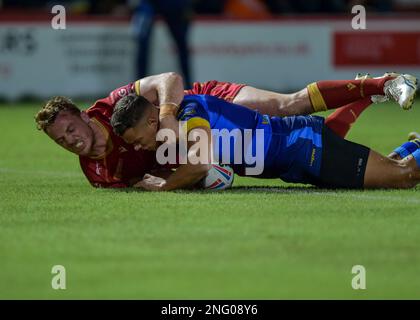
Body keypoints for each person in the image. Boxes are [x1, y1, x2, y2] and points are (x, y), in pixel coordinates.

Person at [34, 72, 417, 188]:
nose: (68, 141)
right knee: (384, 166)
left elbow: (170, 81)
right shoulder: (98, 170)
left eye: (68, 129)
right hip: (292, 163)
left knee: (289, 105)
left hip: (293, 142)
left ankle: (381, 83)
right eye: (59, 140)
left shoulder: (180, 114)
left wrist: (169, 116)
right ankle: (405, 137)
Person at [110, 93, 420, 191]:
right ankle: (415, 147)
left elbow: (201, 164)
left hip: (306, 149)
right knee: (389, 171)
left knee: (405, 178)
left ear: (153, 121)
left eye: (137, 140)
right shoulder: (178, 128)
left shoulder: (191, 111)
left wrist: (163, 187)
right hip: (298, 161)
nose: (138, 148)